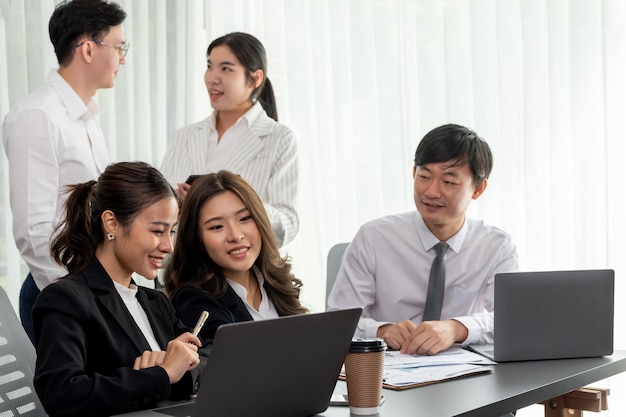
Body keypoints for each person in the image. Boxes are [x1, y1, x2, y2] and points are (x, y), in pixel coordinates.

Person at [327, 123, 519, 356]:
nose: (431, 192)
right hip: (388, 370)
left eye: (448, 182)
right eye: (424, 176)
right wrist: (381, 330)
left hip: (463, 371)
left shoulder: (496, 246)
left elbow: (510, 318)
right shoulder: (374, 238)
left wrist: (457, 328)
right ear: (413, 173)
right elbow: (339, 319)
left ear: (478, 189)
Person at [32, 161, 202, 417]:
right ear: (111, 223)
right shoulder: (66, 299)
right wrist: (162, 374)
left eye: (172, 232)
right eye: (157, 230)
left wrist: (179, 364)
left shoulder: (156, 302)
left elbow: (204, 362)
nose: (169, 246)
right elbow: (62, 395)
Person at [2, 0, 128, 342]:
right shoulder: (37, 116)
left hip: (90, 286)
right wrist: (78, 299)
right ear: (88, 48)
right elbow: (34, 230)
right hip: (62, 293)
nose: (124, 58)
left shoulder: (85, 118)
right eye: (120, 46)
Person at [160, 32, 298, 247]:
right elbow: (159, 209)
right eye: (209, 66)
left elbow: (287, 225)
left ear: (255, 78)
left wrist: (236, 202)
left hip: (243, 268)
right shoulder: (185, 136)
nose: (212, 77)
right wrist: (177, 203)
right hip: (184, 268)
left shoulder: (279, 139)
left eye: (226, 69)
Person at [163, 170, 307, 344]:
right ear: (197, 239)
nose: (235, 236)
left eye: (245, 218)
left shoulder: (275, 283)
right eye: (217, 227)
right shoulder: (193, 302)